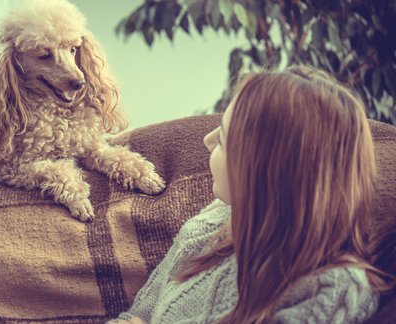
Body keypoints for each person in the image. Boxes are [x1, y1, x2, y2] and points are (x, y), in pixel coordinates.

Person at [109, 66, 394, 323]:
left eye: (222, 138)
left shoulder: (332, 289)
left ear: (266, 167)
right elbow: (138, 316)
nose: (207, 142)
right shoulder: (210, 223)